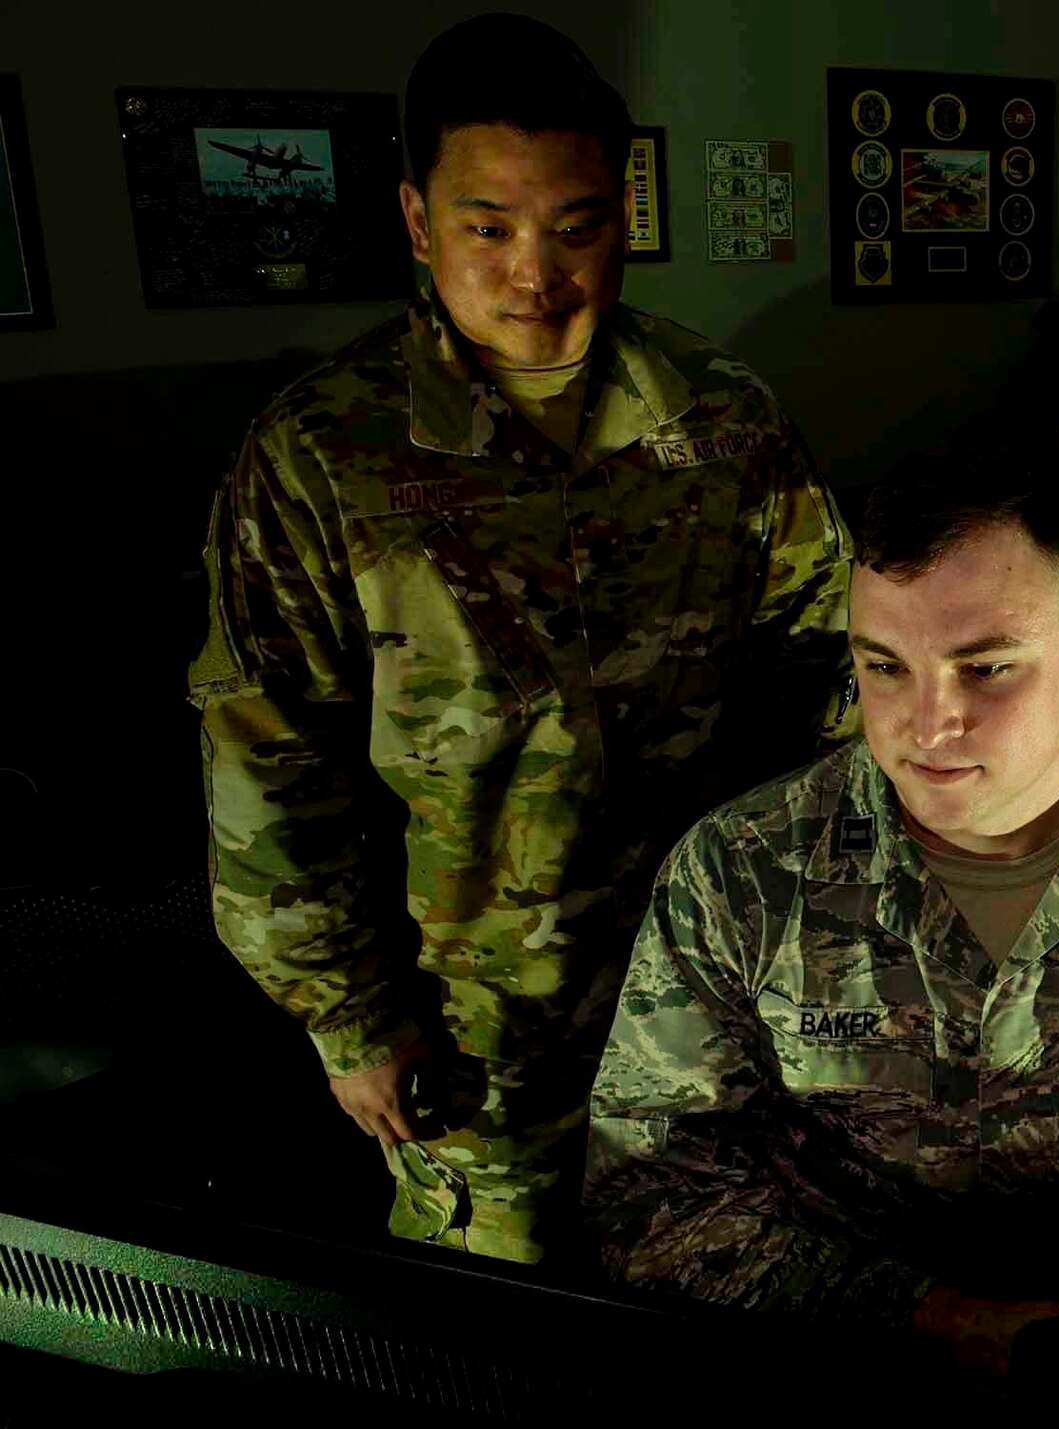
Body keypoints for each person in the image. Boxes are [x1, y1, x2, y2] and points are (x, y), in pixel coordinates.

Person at [190, 13, 853, 1265]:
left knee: (742, 1275)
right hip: (476, 1031)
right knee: (503, 1340)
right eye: (487, 226)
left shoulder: (718, 417)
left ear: (621, 212)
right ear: (415, 217)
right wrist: (352, 1020)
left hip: (718, 990)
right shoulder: (326, 453)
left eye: (577, 226)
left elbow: (826, 679)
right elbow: (267, 758)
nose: (534, 273)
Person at [585, 453, 1059, 1378]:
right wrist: (923, 1318)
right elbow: (650, 1188)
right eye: (884, 666)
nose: (927, 723)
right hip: (842, 1360)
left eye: (985, 668)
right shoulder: (739, 875)